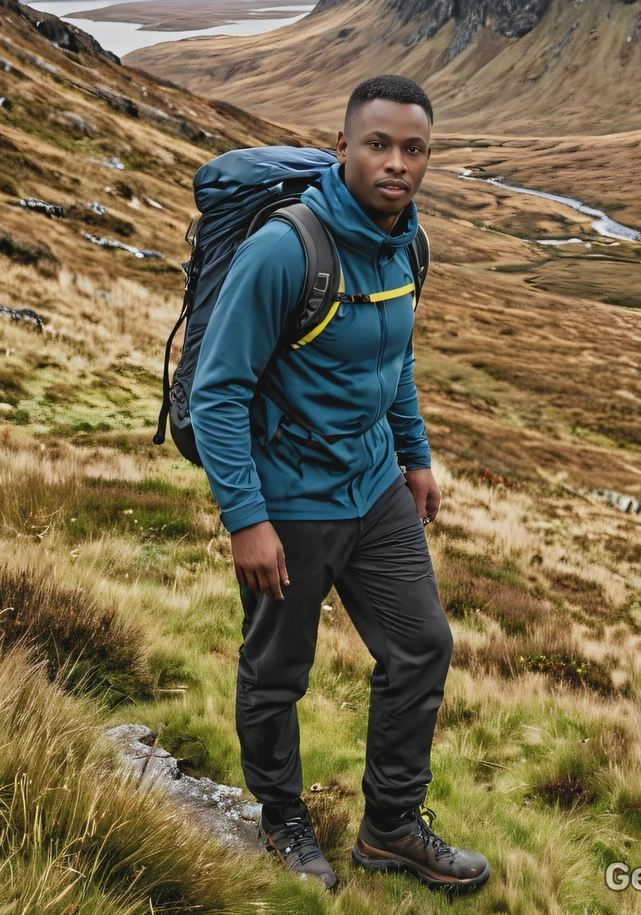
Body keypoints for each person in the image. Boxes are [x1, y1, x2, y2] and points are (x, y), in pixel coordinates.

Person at [189, 75, 490, 894]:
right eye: (378, 144)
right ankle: (282, 816)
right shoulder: (287, 249)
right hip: (288, 502)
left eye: (413, 149)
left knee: (422, 646)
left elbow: (394, 360)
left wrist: (415, 457)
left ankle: (390, 826)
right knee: (278, 671)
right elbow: (218, 392)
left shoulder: (408, 245)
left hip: (374, 487)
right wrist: (245, 518)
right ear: (343, 149)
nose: (397, 163)